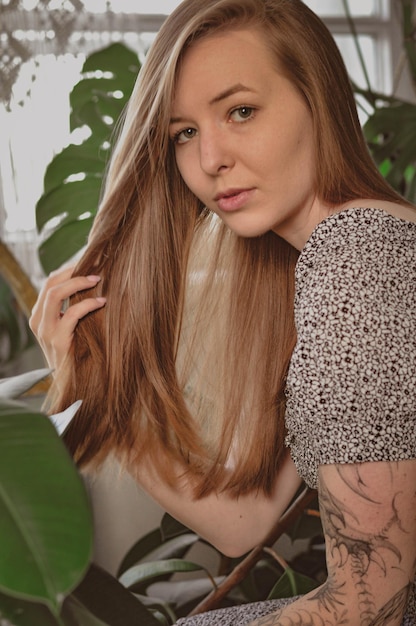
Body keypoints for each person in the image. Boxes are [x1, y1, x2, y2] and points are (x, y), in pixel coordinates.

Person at [29, 0, 416, 624]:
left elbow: (373, 607)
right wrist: (91, 378)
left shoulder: (356, 255)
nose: (210, 160)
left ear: (316, 100)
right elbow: (246, 522)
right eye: (184, 133)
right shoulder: (343, 252)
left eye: (241, 111)